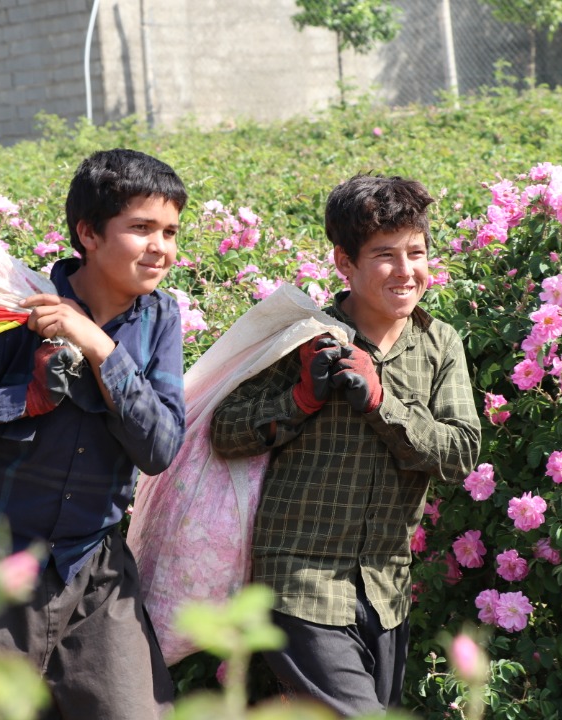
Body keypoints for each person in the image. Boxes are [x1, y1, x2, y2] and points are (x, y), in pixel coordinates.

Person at [0, 148, 188, 720]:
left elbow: (159, 447)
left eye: (171, 231)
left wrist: (100, 348)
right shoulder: (14, 308)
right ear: (89, 233)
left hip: (94, 568)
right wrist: (20, 400)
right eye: (141, 228)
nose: (161, 247)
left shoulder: (160, 320)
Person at [210, 174, 481, 717]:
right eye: (385, 255)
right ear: (344, 262)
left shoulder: (440, 341)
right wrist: (301, 398)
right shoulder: (304, 336)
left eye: (417, 252)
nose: (406, 271)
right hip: (298, 582)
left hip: (385, 589)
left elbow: (461, 452)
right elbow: (224, 430)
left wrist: (383, 402)